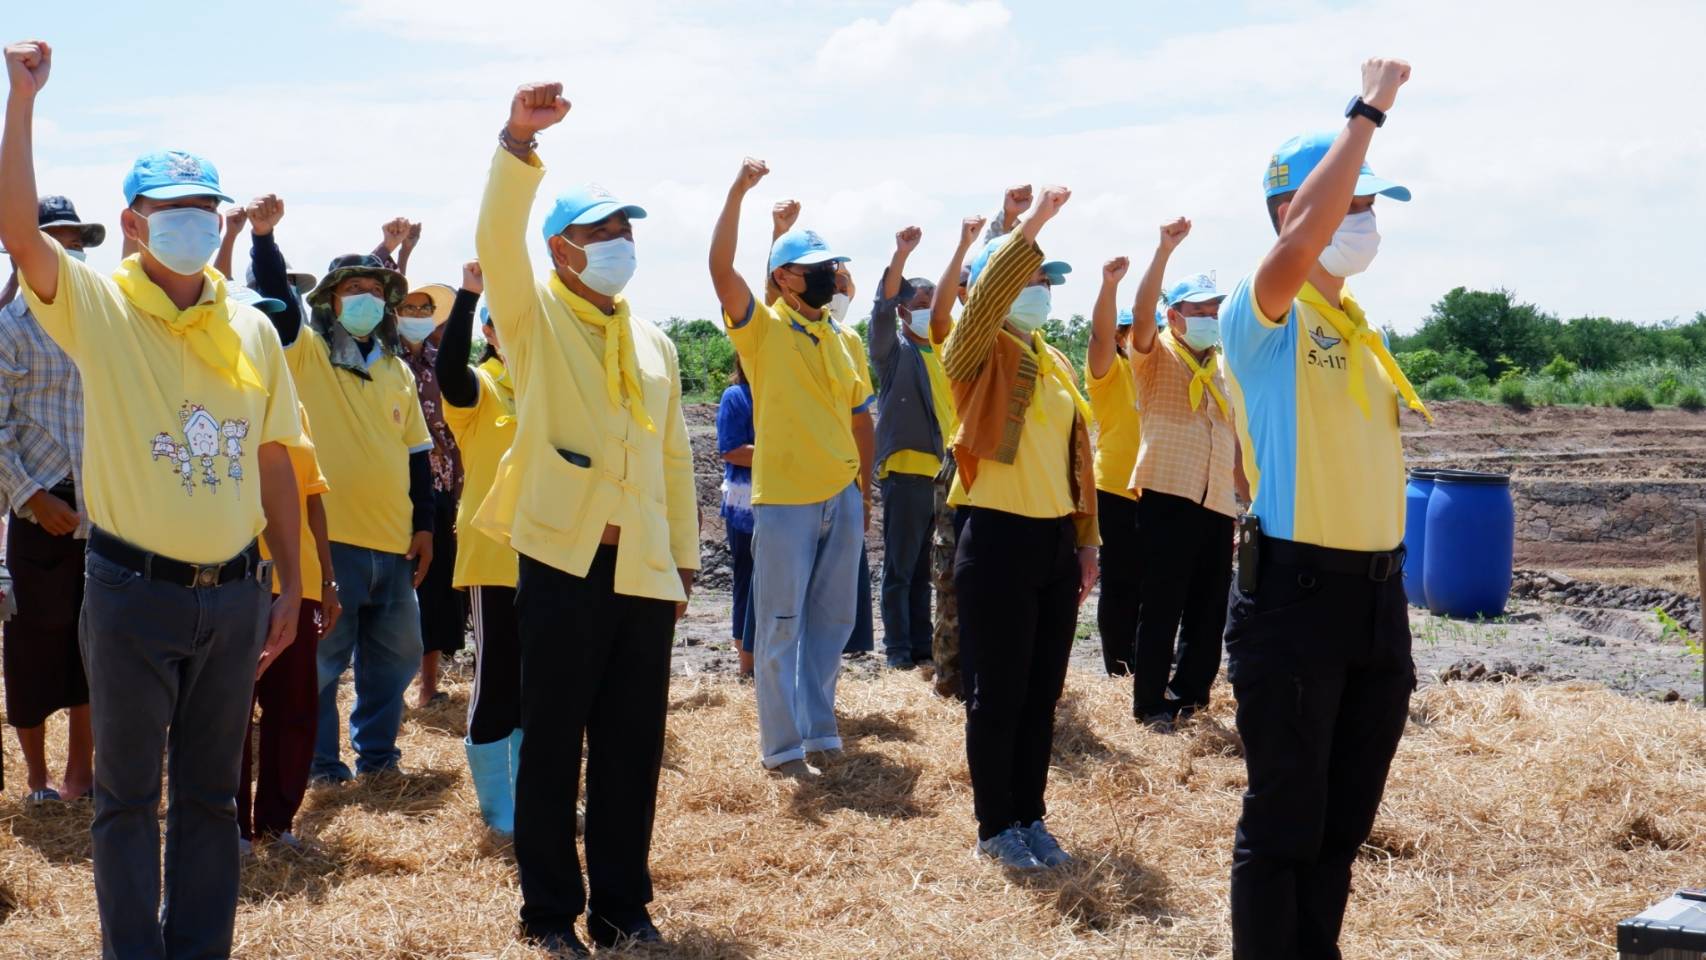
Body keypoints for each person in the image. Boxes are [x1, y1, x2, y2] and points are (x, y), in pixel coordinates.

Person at [2, 39, 305, 959]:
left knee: (213, 796)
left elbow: (278, 459)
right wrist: (22, 104)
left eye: (204, 210)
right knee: (129, 798)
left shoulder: (251, 326)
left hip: (236, 593)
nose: (192, 225)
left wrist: (292, 586)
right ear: (133, 224)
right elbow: (19, 234)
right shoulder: (99, 306)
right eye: (172, 211)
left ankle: (198, 948)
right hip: (133, 593)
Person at [476, 82, 698, 956]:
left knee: (632, 745)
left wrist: (682, 561)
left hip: (642, 564)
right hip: (563, 564)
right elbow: (497, 238)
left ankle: (621, 908)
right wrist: (518, 146)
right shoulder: (532, 319)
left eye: (626, 231)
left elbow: (675, 457)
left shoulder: (655, 342)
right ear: (562, 249)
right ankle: (548, 914)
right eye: (602, 233)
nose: (619, 246)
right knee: (554, 741)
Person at [1218, 58, 1429, 959]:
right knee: (1286, 824)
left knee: (1341, 826)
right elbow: (1300, 239)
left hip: (1375, 604)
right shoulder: (1262, 316)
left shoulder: (1357, 326)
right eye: (1354, 203)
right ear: (1291, 213)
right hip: (1298, 596)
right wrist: (1367, 111)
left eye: (1373, 206)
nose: (1367, 221)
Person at [245, 196, 436, 785]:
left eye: (377, 292)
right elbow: (276, 308)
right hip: (329, 542)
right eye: (353, 289)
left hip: (393, 544)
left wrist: (425, 526)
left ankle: (378, 758)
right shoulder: (306, 353)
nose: (367, 300)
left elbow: (418, 455)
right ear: (329, 301)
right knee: (324, 663)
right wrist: (263, 240)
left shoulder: (396, 367)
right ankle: (325, 767)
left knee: (396, 657)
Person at [943, 186, 1097, 871]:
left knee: (1042, 692)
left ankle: (1031, 816)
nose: (1039, 288)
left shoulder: (1054, 361)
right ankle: (994, 826)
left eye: (1045, 280)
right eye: (1028, 277)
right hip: (998, 538)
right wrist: (1028, 227)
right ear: (990, 287)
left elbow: (1079, 459)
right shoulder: (973, 353)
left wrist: (1087, 542)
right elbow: (981, 305)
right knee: (998, 692)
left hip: (1053, 543)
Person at [711, 161, 874, 780]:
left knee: (832, 621)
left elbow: (859, 416)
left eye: (835, 269)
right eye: (820, 271)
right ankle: (781, 749)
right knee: (780, 622)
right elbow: (723, 273)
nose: (834, 279)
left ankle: (820, 729)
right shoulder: (765, 331)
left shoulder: (841, 337)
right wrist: (738, 196)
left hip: (841, 496)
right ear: (784, 279)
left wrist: (862, 488)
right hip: (783, 504)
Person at [1120, 222, 1243, 730]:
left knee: (1209, 609)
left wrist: (1244, 497)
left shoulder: (1221, 366)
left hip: (1214, 500)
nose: (1211, 318)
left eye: (1215, 311)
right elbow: (1144, 308)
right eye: (1200, 311)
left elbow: (1231, 437)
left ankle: (1190, 697)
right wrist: (1163, 251)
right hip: (1168, 493)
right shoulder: (1155, 354)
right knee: (1163, 603)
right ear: (1174, 316)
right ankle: (1150, 703)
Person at [0, 194, 100, 805]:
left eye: (77, 242)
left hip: (103, 510)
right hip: (41, 510)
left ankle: (80, 775)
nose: (69, 252)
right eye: (56, 239)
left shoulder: (102, 325)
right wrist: (33, 496)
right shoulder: (10, 330)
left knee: (95, 642)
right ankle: (37, 778)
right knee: (36, 644)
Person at [433, 261, 523, 837]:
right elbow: (449, 373)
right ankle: (500, 812)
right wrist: (469, 298)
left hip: (557, 556)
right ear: (489, 334)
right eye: (503, 325)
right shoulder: (483, 389)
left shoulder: (553, 389)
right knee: (497, 680)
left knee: (547, 684)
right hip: (494, 557)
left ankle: (538, 794)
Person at [239, 390, 340, 855]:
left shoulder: (294, 406)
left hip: (298, 584)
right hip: (232, 580)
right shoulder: (218, 397)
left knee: (295, 706)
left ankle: (277, 826)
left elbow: (313, 500)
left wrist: (328, 580)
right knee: (229, 710)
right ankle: (232, 827)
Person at [869, 225, 958, 671]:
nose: (927, 312)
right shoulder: (895, 353)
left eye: (932, 305)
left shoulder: (943, 353)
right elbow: (880, 314)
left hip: (942, 476)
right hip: (905, 473)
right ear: (904, 311)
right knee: (901, 568)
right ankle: (898, 651)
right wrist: (900, 255)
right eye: (919, 305)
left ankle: (923, 646)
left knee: (929, 569)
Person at [922, 214, 991, 700]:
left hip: (1001, 469)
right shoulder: (960, 336)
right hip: (960, 465)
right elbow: (941, 311)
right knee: (951, 578)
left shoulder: (1014, 337)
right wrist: (963, 243)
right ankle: (950, 678)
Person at [398, 277, 468, 707]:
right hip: (397, 488)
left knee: (437, 589)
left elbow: (457, 431)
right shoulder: (387, 361)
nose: (419, 317)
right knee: (398, 587)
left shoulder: (441, 365)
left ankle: (427, 687)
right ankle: (393, 690)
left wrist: (459, 485)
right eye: (410, 309)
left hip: (441, 486)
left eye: (427, 310)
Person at [1086, 262, 1144, 677]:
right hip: (1115, 489)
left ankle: (1144, 660)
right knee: (1122, 583)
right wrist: (1110, 287)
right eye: (1130, 331)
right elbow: (1099, 336)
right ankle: (1120, 668)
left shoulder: (1156, 373)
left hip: (1155, 489)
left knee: (1150, 585)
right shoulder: (1111, 371)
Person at [716, 356, 756, 679]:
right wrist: (777, 452)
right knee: (747, 576)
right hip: (745, 506)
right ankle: (747, 664)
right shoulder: (736, 396)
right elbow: (730, 449)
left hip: (779, 502)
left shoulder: (778, 394)